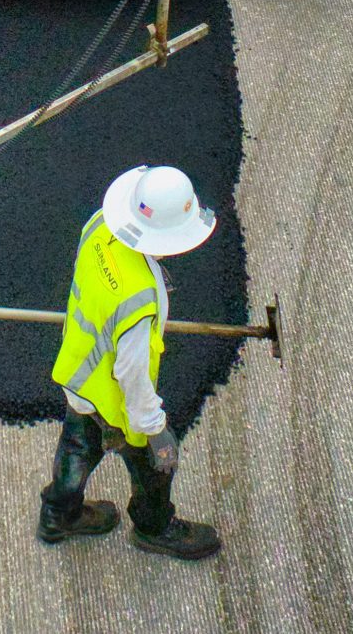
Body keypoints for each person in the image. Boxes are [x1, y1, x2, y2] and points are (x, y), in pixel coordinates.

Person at [39, 164, 225, 561]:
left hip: (79, 374)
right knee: (154, 468)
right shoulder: (140, 300)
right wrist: (155, 431)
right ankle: (154, 528)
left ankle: (58, 516)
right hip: (115, 399)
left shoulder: (99, 226)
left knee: (77, 448)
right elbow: (132, 374)